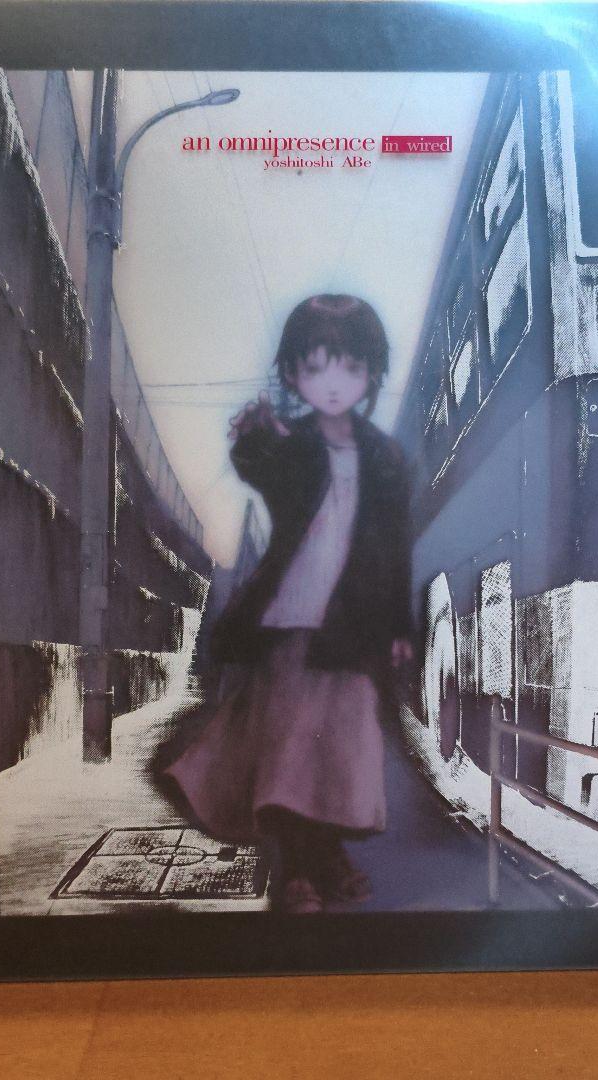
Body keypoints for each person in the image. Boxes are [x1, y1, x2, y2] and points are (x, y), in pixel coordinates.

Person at [164, 293, 415, 913]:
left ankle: (328, 855)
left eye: (350, 366)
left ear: (371, 373)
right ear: (294, 373)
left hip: (350, 631)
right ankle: (300, 868)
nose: (333, 382)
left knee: (341, 752)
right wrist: (252, 437)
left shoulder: (385, 458)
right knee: (291, 755)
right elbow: (259, 472)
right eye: (316, 365)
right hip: (289, 622)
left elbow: (395, 551)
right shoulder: (294, 446)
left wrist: (399, 626)